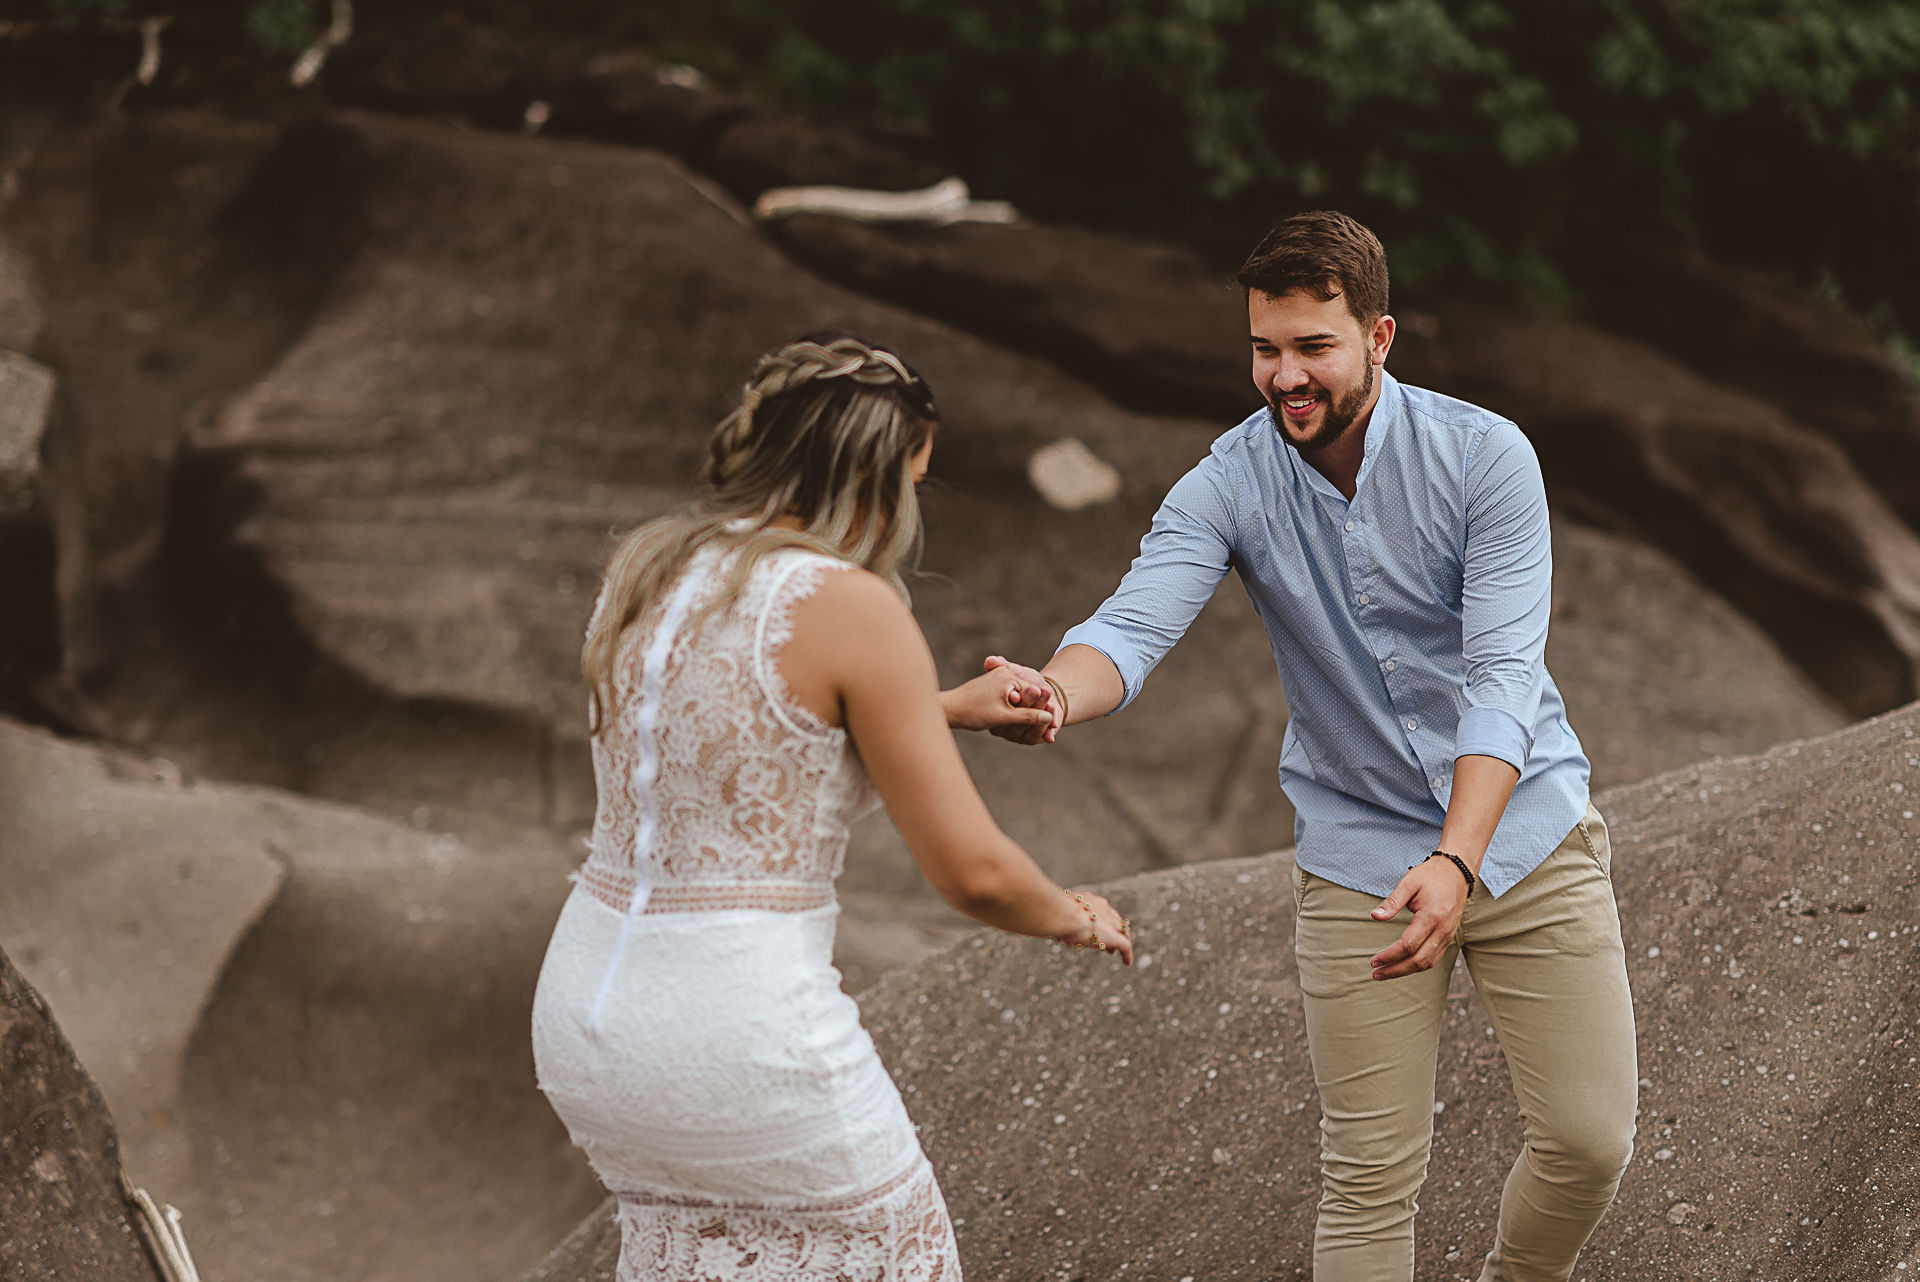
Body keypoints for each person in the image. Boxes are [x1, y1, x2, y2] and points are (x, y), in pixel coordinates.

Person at [991, 211, 1637, 1281]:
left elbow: (1503, 680)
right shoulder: (1228, 481)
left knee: (1588, 1141)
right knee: (1371, 1174)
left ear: (1380, 338)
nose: (1285, 375)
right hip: (1361, 857)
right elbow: (1132, 626)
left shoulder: (1485, 458)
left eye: (1313, 348)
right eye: (1265, 348)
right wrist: (1055, 691)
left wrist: (1458, 861)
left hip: (1524, 833)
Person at [530, 333, 1131, 1281]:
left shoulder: (645, 574)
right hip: (740, 1032)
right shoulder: (850, 605)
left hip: (589, 1026)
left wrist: (937, 714)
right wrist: (1074, 917)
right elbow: (974, 875)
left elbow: (752, 753)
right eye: (914, 483)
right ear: (876, 477)